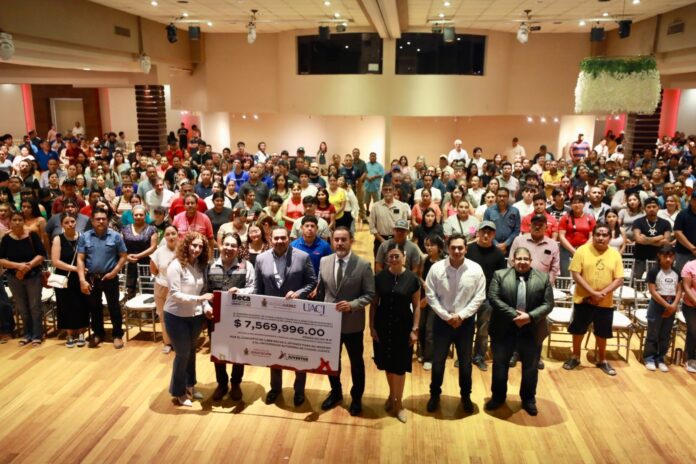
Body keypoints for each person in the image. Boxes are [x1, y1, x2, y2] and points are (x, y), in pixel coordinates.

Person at [254, 227, 317, 407]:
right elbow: (258, 288)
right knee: (274, 352)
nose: (280, 241)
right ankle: (275, 388)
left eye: (283, 238)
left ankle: (299, 390)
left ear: (289, 238)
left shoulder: (303, 256)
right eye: (276, 238)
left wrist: (298, 293)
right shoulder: (261, 258)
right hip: (271, 317)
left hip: (296, 315)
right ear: (270, 239)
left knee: (298, 353)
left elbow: (312, 281)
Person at [486, 246, 553, 415]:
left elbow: (548, 304)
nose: (522, 262)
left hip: (532, 330)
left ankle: (528, 399)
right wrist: (515, 315)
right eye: (519, 259)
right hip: (504, 329)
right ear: (512, 260)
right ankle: (498, 397)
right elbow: (493, 298)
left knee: (530, 368)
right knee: (500, 366)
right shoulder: (499, 275)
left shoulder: (543, 278)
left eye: (525, 259)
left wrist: (529, 317)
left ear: (530, 261)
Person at [316, 227, 375, 416]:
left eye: (344, 240)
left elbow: (370, 294)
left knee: (356, 363)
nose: (340, 243)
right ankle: (336, 392)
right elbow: (322, 290)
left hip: (353, 324)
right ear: (332, 241)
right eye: (336, 240)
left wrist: (352, 305)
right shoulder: (324, 261)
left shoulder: (363, 265)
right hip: (329, 324)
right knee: (331, 361)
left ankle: (356, 398)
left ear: (351, 241)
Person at [425, 233, 486, 414]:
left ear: (466, 249)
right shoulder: (436, 269)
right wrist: (446, 316)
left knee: (465, 364)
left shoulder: (476, 269)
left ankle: (466, 396)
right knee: (438, 362)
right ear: (447, 249)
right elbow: (430, 295)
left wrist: (461, 316)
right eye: (453, 248)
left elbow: (479, 296)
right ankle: (434, 395)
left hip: (465, 324)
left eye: (460, 247)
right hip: (442, 322)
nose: (457, 251)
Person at [563, 223, 624, 376]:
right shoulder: (582, 251)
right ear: (593, 235)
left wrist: (601, 294)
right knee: (578, 330)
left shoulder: (615, 254)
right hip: (583, 299)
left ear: (610, 238)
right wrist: (592, 293)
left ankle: (602, 359)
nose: (601, 238)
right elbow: (575, 274)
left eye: (604, 235)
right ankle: (575, 356)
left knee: (602, 332)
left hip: (605, 302)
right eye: (598, 234)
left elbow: (619, 279)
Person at [370, 242, 421, 423]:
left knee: (399, 366)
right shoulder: (379, 278)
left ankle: (399, 403)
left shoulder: (412, 279)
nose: (393, 259)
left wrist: (415, 330)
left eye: (397, 256)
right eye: (390, 256)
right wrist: (372, 327)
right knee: (388, 364)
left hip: (403, 328)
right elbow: (374, 305)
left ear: (404, 258)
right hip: (383, 326)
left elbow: (417, 306)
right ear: (386, 259)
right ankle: (392, 395)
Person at [164, 232, 213, 407]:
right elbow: (175, 294)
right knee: (182, 353)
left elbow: (202, 292)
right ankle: (178, 392)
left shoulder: (200, 266)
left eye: (200, 246)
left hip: (195, 316)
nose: (197, 249)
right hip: (176, 316)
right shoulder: (175, 265)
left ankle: (190, 386)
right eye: (194, 245)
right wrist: (200, 300)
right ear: (186, 245)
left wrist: (205, 307)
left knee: (191, 352)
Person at [206, 232, 256, 402]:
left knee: (238, 351)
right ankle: (222, 384)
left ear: (238, 248)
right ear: (220, 245)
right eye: (226, 244)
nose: (229, 248)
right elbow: (204, 292)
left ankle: (235, 384)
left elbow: (253, 288)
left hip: (239, 318)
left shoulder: (246, 266)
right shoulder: (210, 265)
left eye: (233, 245)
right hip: (216, 318)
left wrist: (240, 291)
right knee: (218, 351)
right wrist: (206, 307)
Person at [77, 208, 128, 349]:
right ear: (92, 221)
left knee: (114, 306)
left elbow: (123, 256)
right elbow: (80, 259)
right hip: (92, 277)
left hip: (110, 277)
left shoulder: (115, 236)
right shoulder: (85, 237)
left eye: (103, 219)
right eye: (97, 219)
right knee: (94, 307)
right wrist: (82, 280)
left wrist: (115, 272)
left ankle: (117, 335)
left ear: (107, 220)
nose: (101, 221)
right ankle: (98, 333)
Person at [465, 222, 507, 371]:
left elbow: (501, 278)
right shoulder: (468, 250)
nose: (486, 235)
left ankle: (479, 356)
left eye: (490, 232)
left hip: (487, 298)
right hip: (468, 296)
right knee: (466, 328)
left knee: (483, 330)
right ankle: (464, 356)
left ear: (494, 235)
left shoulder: (498, 254)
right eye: (484, 231)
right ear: (478, 232)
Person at [0, 211, 46, 346]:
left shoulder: (32, 236)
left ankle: (37, 335)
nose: (17, 222)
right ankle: (27, 334)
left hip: (33, 275)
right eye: (14, 220)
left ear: (24, 221)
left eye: (20, 220)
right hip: (14, 277)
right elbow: (1, 259)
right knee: (22, 308)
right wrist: (18, 266)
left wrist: (28, 266)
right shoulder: (6, 239)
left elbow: (41, 254)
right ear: (10, 222)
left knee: (35, 306)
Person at [51, 212, 89, 348]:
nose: (70, 224)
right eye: (66, 222)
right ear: (62, 224)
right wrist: (75, 269)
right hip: (64, 277)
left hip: (81, 277)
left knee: (81, 304)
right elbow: (56, 261)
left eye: (72, 221)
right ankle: (69, 334)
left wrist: (80, 271)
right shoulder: (58, 239)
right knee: (65, 305)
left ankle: (81, 332)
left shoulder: (83, 237)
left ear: (76, 222)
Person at [643, 246, 682, 372]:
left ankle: (660, 358)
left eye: (671, 256)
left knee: (665, 334)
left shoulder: (676, 272)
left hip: (671, 305)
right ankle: (649, 358)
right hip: (657, 305)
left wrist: (674, 305)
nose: (668, 259)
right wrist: (666, 305)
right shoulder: (654, 271)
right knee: (653, 333)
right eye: (665, 256)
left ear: (674, 257)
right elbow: (653, 291)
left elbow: (679, 290)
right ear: (659, 256)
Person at [150, 225, 178, 354]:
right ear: (164, 237)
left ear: (178, 234)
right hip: (162, 286)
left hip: (179, 288)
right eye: (168, 234)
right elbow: (153, 270)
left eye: (173, 233)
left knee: (178, 315)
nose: (171, 236)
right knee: (163, 315)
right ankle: (167, 342)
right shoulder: (159, 251)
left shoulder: (183, 250)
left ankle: (179, 341)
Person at [122, 205, 158, 299]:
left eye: (141, 215)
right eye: (136, 215)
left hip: (145, 262)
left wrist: (138, 256)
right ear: (132, 216)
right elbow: (120, 246)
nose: (138, 217)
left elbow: (153, 247)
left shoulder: (152, 229)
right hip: (129, 261)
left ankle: (144, 308)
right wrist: (126, 256)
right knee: (129, 288)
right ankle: (129, 306)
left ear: (145, 216)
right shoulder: (125, 228)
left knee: (145, 287)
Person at [632, 197, 671, 280]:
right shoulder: (638, 222)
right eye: (649, 207)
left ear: (658, 208)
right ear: (644, 208)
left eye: (654, 206)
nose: (651, 209)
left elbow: (666, 241)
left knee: (656, 280)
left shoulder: (665, 223)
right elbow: (638, 239)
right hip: (640, 257)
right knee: (636, 280)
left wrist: (645, 239)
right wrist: (658, 237)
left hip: (658, 257)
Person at [558, 194, 596, 277]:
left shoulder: (590, 218)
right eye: (574, 203)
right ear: (571, 205)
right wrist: (573, 251)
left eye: (579, 202)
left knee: (583, 275)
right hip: (566, 250)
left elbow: (592, 236)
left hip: (585, 250)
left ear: (584, 204)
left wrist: (581, 250)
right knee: (566, 275)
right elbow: (561, 236)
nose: (577, 205)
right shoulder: (565, 218)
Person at [368, 183, 410, 258]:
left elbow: (405, 225)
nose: (388, 191)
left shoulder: (402, 206)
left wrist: (399, 239)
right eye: (385, 190)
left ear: (394, 191)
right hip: (380, 241)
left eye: (390, 190)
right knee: (379, 264)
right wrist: (382, 241)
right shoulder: (375, 206)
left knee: (397, 264)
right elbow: (372, 226)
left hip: (397, 240)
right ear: (382, 191)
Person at [483, 187, 520, 256]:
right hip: (492, 246)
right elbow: (486, 230)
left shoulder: (515, 211)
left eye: (504, 196)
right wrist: (496, 244)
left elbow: (516, 231)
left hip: (510, 246)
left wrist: (506, 244)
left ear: (508, 197)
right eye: (499, 196)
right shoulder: (489, 211)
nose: (502, 198)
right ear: (496, 197)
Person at [679, 259, 696, 373]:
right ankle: (690, 358)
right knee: (694, 331)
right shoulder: (690, 266)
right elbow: (686, 287)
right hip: (691, 306)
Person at [673, 191, 696, 273]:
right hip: (684, 253)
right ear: (691, 201)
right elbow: (678, 233)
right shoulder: (682, 214)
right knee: (681, 276)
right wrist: (693, 248)